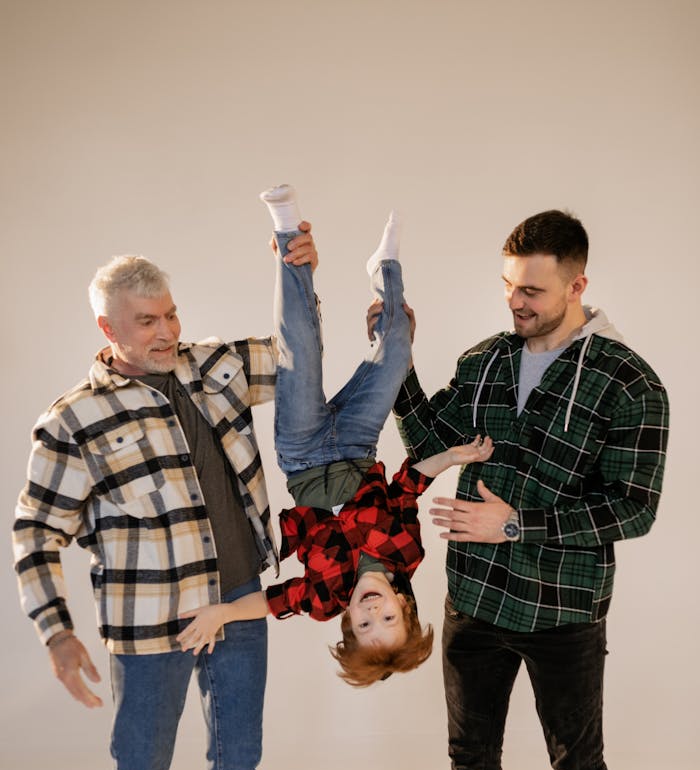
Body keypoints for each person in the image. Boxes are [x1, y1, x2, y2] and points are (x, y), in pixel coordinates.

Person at [12, 222, 317, 770]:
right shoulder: (73, 420)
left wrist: (295, 268)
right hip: (153, 630)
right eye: (147, 321)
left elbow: (294, 351)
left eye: (171, 314)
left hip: (241, 609)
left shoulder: (211, 366)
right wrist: (57, 630)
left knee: (236, 765)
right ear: (107, 329)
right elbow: (35, 532)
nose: (167, 332)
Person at [381, 209, 669, 770]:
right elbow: (426, 438)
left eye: (535, 291)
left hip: (564, 611)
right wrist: (397, 354)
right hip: (473, 597)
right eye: (510, 287)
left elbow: (636, 507)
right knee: (470, 756)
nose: (518, 302)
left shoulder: (630, 382)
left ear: (578, 284)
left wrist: (518, 525)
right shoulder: (484, 362)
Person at [177, 186, 493, 687]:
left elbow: (271, 600)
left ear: (347, 622)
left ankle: (287, 232)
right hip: (357, 442)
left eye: (364, 625)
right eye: (387, 619)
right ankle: (385, 269)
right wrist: (452, 457)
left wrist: (223, 613)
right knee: (395, 353)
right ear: (405, 606)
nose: (373, 613)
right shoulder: (406, 553)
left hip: (302, 452)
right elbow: (407, 484)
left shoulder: (324, 598)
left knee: (300, 348)